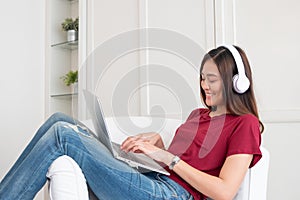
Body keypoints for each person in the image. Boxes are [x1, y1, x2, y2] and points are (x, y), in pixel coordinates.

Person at [0, 45, 263, 200]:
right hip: (154, 180)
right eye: (202, 77)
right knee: (60, 119)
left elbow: (225, 192)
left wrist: (169, 158)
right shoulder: (199, 115)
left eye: (212, 79)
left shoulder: (245, 124)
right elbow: (180, 162)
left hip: (172, 196)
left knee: (62, 135)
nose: (204, 85)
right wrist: (158, 147)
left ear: (236, 82)